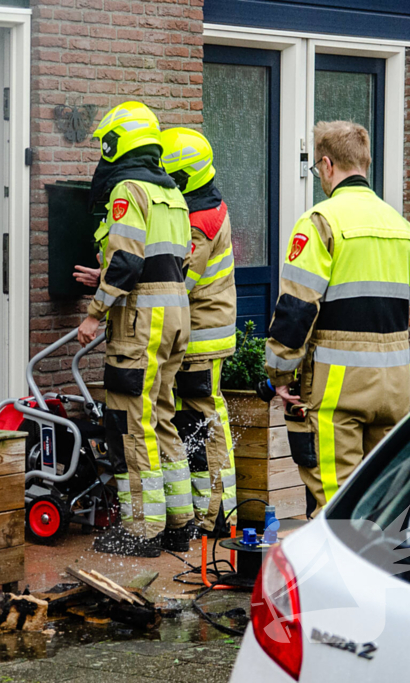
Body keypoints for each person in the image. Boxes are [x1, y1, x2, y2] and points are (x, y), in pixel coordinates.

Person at [265, 120, 410, 510]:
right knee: (385, 502)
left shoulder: (321, 222)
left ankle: (336, 572)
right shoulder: (404, 231)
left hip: (338, 390)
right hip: (396, 388)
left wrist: (280, 375)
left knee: (337, 506)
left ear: (326, 164)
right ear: (365, 164)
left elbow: (297, 308)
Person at [74, 101, 193, 556]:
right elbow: (166, 260)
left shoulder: (128, 189)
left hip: (141, 320)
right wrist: (105, 274)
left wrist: (94, 313)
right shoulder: (172, 193)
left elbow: (126, 260)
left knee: (132, 423)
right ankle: (180, 522)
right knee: (162, 417)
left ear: (116, 143)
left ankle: (142, 529)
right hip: (174, 315)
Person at [159, 127, 238, 538]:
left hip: (201, 338)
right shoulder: (206, 206)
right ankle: (212, 510)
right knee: (197, 420)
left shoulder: (199, 220)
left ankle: (218, 514)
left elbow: (180, 281)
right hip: (199, 334)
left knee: (205, 422)